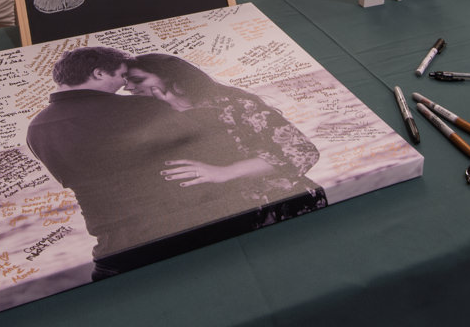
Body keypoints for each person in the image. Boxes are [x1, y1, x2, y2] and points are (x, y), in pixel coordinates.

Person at [25, 46, 252, 279]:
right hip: (182, 236)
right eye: (122, 75)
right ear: (99, 73)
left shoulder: (35, 129)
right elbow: (217, 141)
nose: (125, 85)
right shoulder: (137, 108)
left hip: (112, 251)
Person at [124, 53, 325, 221]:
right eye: (126, 83)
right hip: (233, 215)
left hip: (286, 206)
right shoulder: (162, 116)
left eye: (138, 80)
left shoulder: (234, 105)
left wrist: (224, 172)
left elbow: (303, 152)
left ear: (171, 78)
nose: (128, 88)